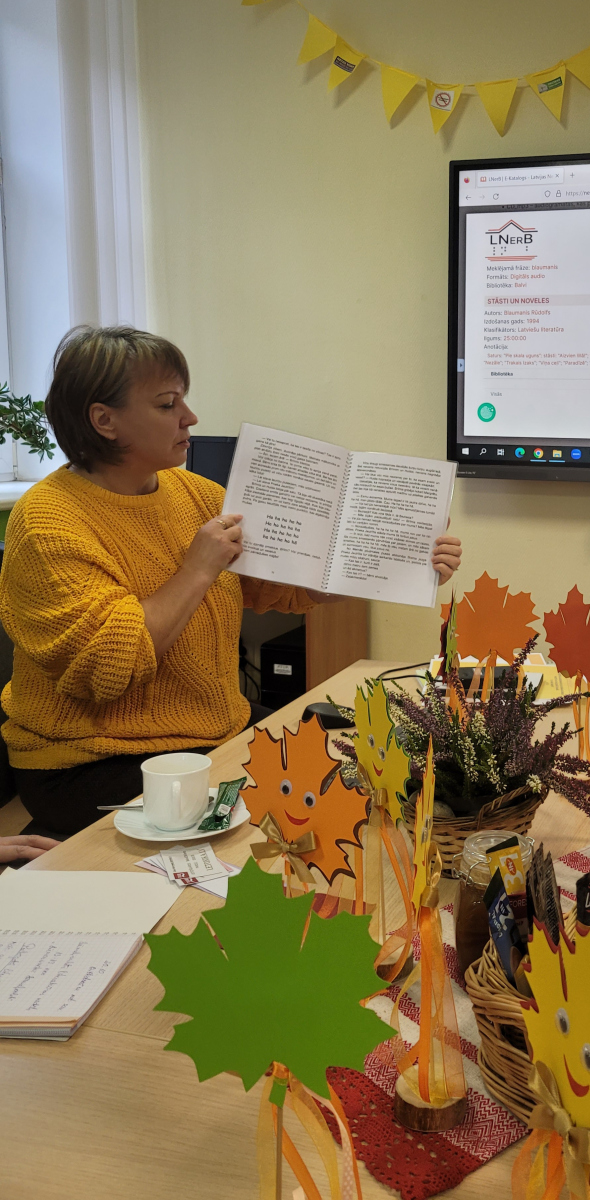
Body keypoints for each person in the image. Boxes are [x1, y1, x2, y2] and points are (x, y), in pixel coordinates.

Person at [0, 326, 462, 836]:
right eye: (167, 404)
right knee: (293, 819)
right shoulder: (47, 522)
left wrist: (398, 556)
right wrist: (196, 569)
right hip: (92, 758)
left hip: (208, 729)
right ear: (104, 420)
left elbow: (280, 586)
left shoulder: (194, 492)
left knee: (371, 773)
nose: (190, 417)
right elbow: (109, 669)